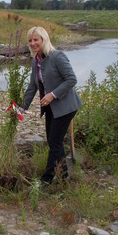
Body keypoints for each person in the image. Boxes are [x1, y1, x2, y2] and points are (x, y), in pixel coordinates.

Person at [21, 26, 82, 185]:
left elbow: (71, 79)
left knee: (54, 142)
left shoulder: (57, 56)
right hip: (51, 108)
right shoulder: (36, 61)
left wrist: (52, 94)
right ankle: (64, 177)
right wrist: (22, 107)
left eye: (36, 39)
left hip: (66, 106)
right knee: (55, 142)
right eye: (30, 40)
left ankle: (46, 181)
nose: (33, 43)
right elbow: (32, 87)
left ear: (44, 40)